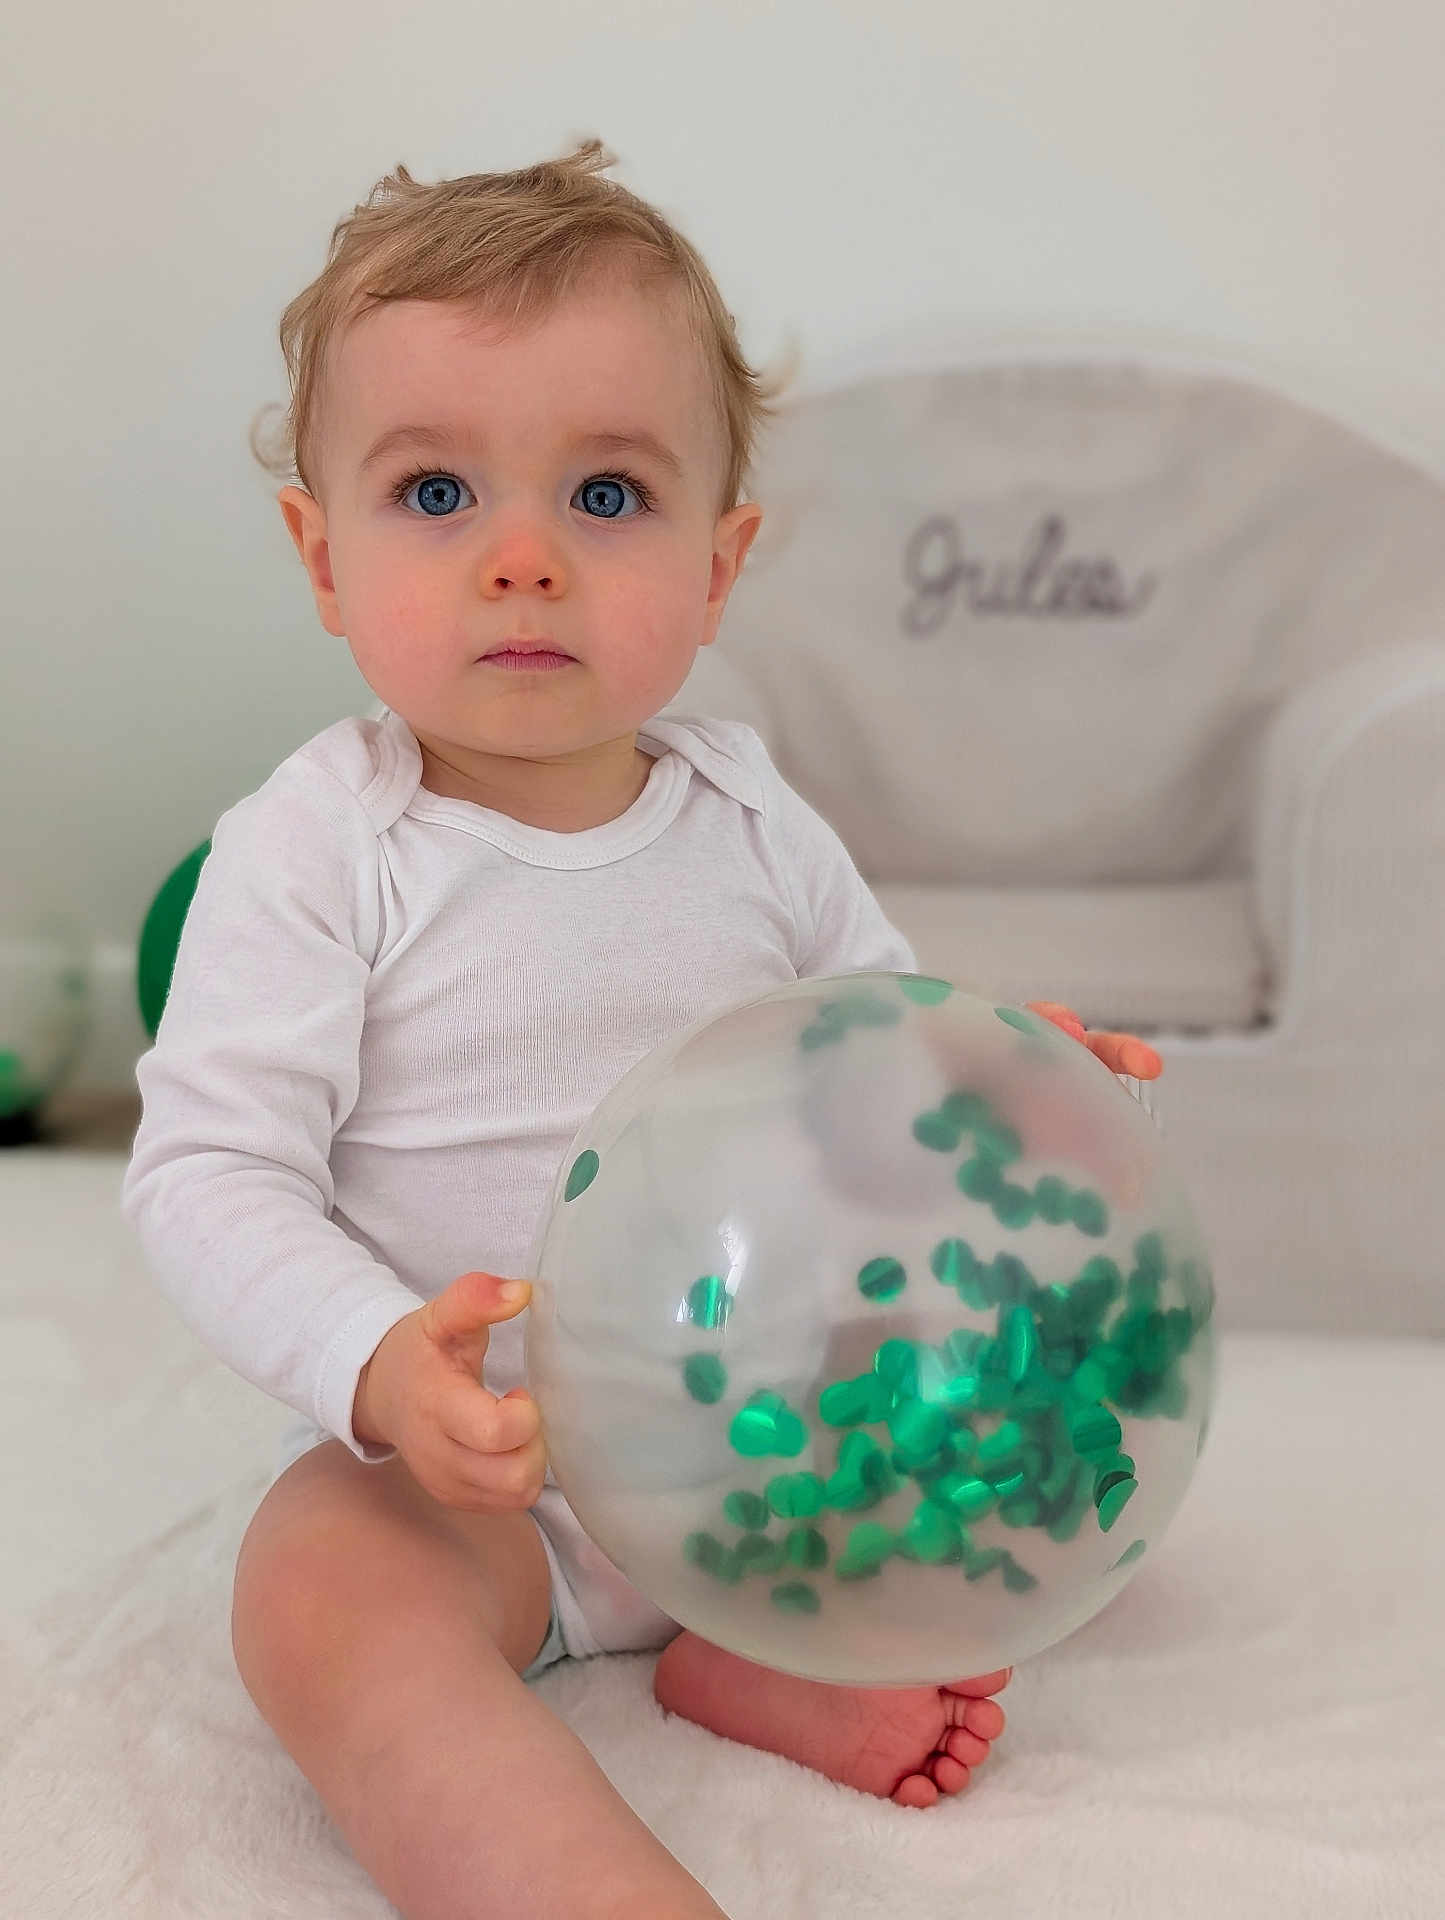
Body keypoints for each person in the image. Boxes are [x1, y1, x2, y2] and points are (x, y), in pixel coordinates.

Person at [122, 137, 1163, 1920]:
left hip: (751, 1437)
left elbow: (875, 1066)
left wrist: (1001, 1063)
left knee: (1061, 1445)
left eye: (604, 500)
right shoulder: (315, 846)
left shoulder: (750, 815)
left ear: (720, 556)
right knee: (315, 1591)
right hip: (487, 1478)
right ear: (321, 552)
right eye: (436, 495)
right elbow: (206, 1172)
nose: (521, 560)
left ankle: (748, 1648)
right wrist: (379, 1360)